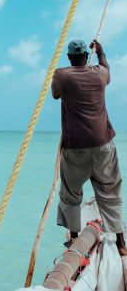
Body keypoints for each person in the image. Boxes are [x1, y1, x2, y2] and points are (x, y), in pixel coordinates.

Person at [51, 38, 127, 255]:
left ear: (69, 58)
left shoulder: (61, 75)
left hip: (75, 148)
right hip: (103, 145)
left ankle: (74, 240)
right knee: (110, 193)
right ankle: (121, 242)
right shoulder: (100, 73)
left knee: (70, 195)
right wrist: (101, 52)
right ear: (86, 56)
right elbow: (107, 70)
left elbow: (56, 94)